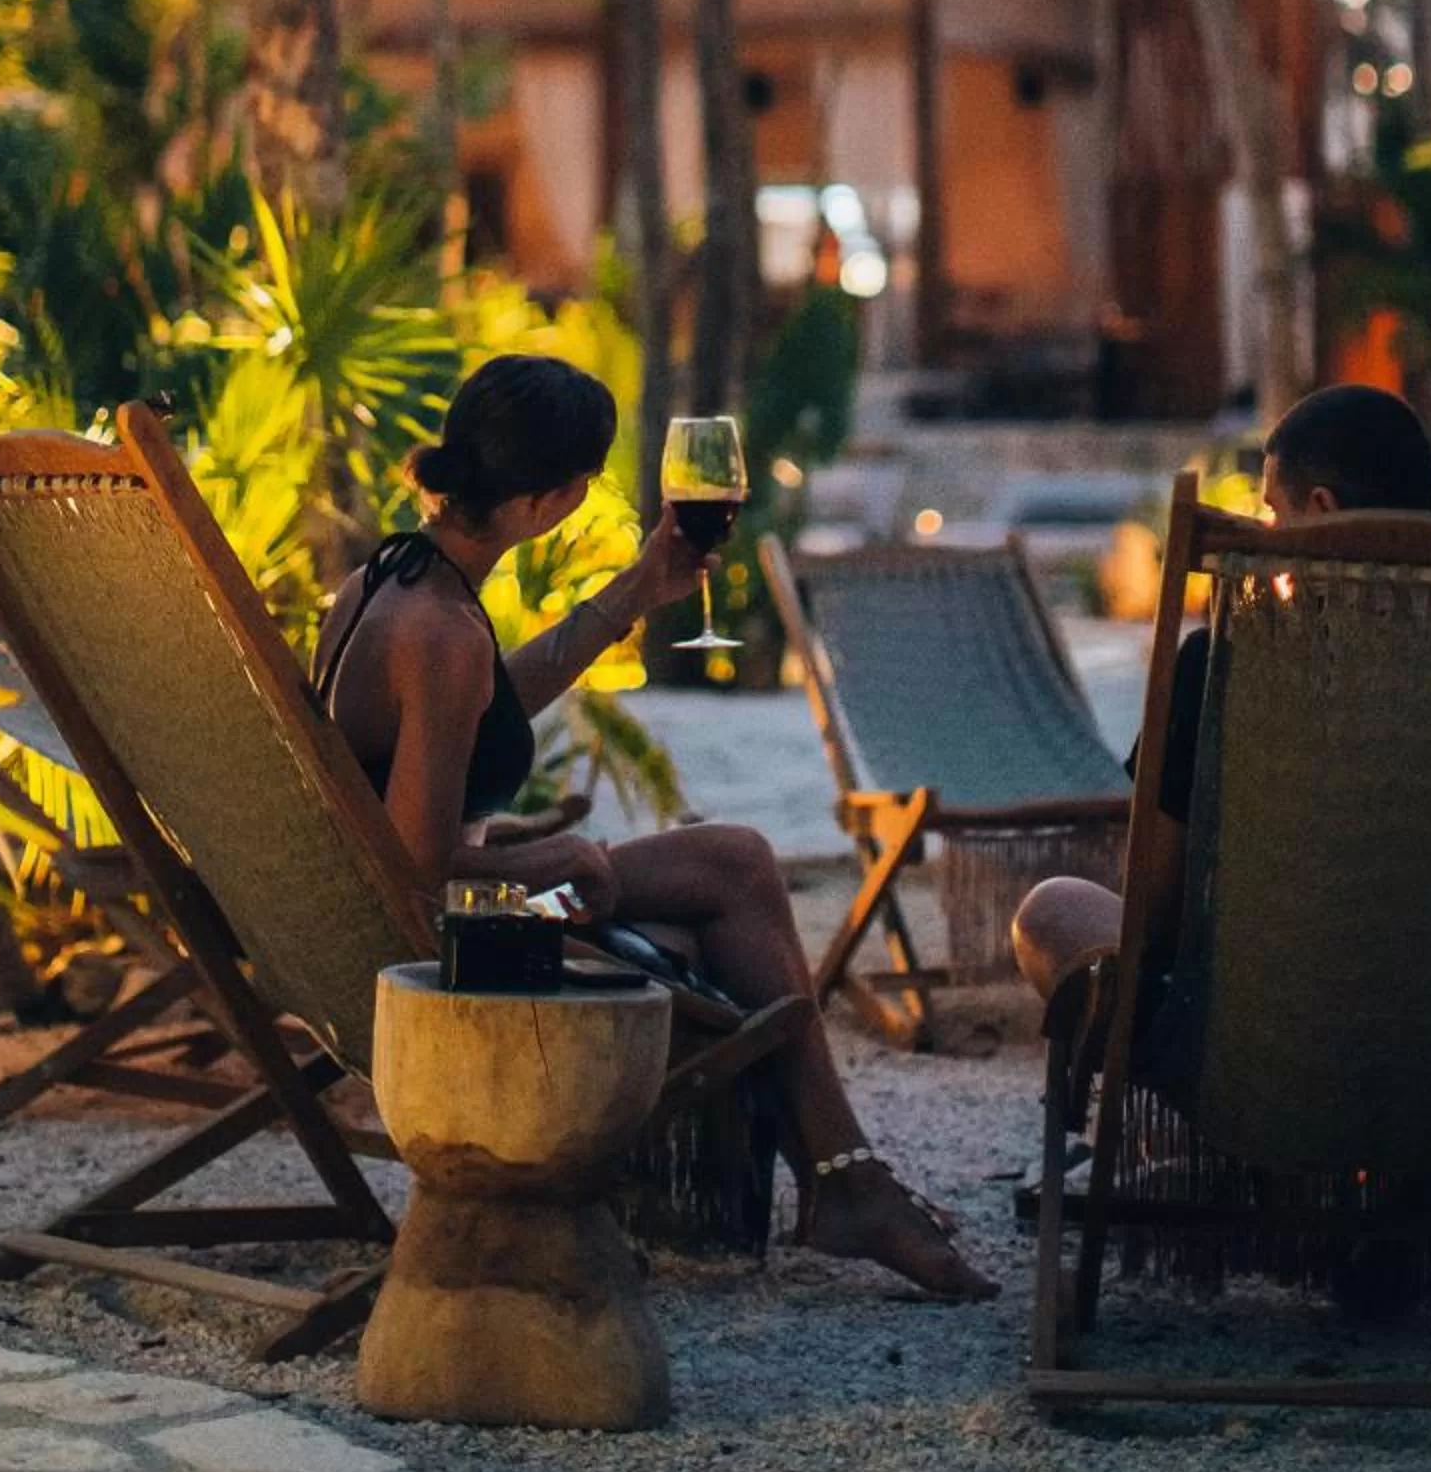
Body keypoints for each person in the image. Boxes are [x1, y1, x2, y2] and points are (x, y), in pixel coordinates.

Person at [316, 352, 995, 1303]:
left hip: (394, 912)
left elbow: (482, 712)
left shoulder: (389, 580)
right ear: (554, 499)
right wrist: (546, 855)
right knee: (734, 874)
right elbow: (419, 873)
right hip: (442, 944)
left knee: (729, 872)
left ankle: (844, 1179)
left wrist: (636, 590)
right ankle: (846, 1181)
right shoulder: (440, 636)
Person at [1011, 381, 1431, 1017]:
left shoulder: (1224, 670)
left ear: (1322, 510)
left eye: (1276, 514)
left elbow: (1153, 920)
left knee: (1052, 908)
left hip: (1262, 1048)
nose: (1270, 535)